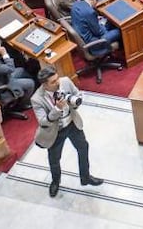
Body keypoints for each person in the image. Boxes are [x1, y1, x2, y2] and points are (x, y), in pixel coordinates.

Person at [31, 66, 103, 197]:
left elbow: (78, 94)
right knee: (54, 159)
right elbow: (43, 121)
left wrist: (74, 102)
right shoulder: (36, 99)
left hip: (72, 123)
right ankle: (55, 182)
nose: (58, 83)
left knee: (83, 147)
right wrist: (57, 109)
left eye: (57, 78)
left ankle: (85, 177)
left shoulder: (65, 81)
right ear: (44, 85)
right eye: (53, 82)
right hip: (55, 132)